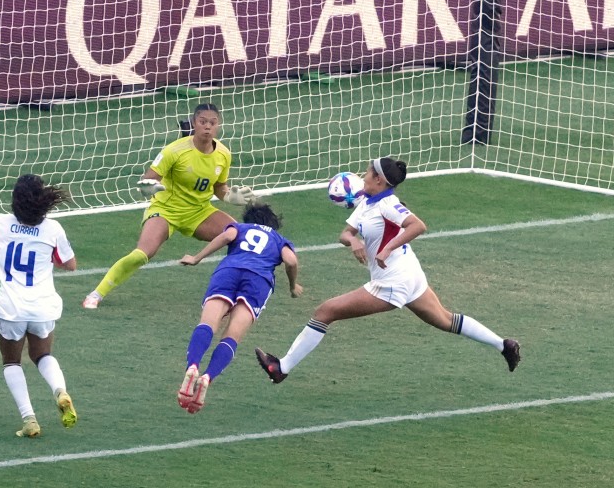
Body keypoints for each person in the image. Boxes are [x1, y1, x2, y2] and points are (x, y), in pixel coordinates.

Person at [255, 157, 520, 384]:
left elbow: (417, 225)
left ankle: (282, 368)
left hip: (394, 281)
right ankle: (503, 345)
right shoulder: (367, 202)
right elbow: (344, 234)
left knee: (326, 311)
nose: (363, 176)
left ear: (379, 180)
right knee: (445, 320)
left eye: (368, 172)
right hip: (409, 275)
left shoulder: (388, 204)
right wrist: (354, 241)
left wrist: (387, 249)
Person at [82, 103, 258, 309]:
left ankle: (238, 292)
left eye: (212, 122)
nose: (207, 127)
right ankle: (96, 294)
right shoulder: (174, 151)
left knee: (241, 237)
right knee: (143, 253)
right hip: (166, 210)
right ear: (194, 123)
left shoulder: (224, 154)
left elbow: (219, 187)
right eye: (203, 122)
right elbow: (148, 180)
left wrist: (229, 197)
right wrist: (149, 188)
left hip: (199, 212)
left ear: (218, 125)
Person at [0, 174, 79, 438]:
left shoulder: (0, 224)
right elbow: (70, 264)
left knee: (11, 361)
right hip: (43, 307)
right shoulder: (53, 230)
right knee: (42, 355)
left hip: (11, 308)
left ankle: (29, 420)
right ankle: (60, 391)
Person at [176, 202, 302, 414]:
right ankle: (208, 377)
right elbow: (291, 261)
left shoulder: (241, 228)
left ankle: (193, 366)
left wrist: (197, 258)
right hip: (258, 281)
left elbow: (227, 237)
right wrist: (292, 286)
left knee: (208, 323)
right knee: (232, 336)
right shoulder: (280, 240)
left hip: (229, 271)